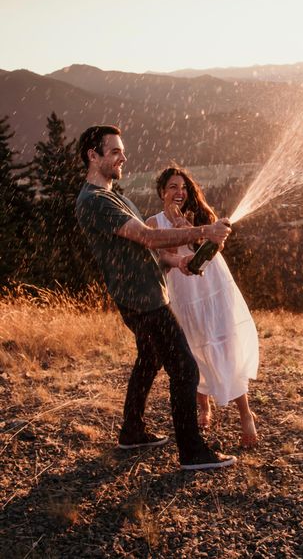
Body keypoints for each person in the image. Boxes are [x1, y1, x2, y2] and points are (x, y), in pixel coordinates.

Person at [75, 125, 236, 471]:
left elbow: (143, 250)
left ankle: (132, 431)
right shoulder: (95, 201)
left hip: (141, 294)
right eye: (115, 151)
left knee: (149, 360)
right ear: (93, 156)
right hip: (143, 299)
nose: (123, 157)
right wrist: (205, 231)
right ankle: (192, 451)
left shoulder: (113, 195)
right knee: (185, 369)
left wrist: (179, 261)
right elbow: (147, 237)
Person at [147, 166, 259, 447]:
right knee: (194, 348)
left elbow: (215, 249)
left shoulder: (198, 216)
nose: (179, 192)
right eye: (172, 187)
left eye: (183, 187)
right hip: (184, 292)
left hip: (212, 285)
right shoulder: (154, 222)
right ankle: (204, 405)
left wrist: (195, 232)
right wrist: (177, 233)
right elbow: (164, 258)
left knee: (224, 344)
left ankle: (246, 415)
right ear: (162, 192)